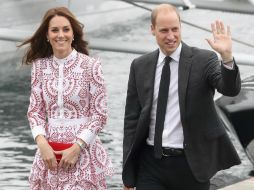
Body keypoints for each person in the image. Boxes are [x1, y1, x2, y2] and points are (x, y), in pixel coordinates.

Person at [122, 3, 241, 190]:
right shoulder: (139, 65)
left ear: (180, 27)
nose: (171, 36)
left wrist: (226, 57)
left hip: (191, 165)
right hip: (150, 164)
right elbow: (131, 120)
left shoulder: (204, 60)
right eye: (164, 31)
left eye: (175, 29)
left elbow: (230, 89)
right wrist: (128, 171)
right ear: (152, 30)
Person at [19, 7, 114, 189]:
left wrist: (77, 147)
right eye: (54, 30)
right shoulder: (40, 68)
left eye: (66, 29)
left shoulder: (91, 66)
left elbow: (99, 115)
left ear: (73, 34)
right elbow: (35, 112)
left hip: (83, 153)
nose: (60, 35)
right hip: (48, 156)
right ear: (47, 35)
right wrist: (42, 144)